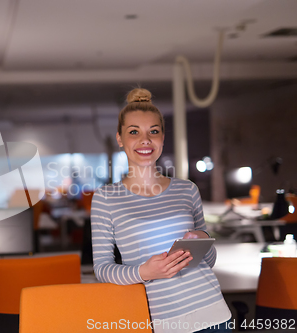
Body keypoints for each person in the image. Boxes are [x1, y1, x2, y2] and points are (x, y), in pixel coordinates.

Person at [91, 88, 232, 333]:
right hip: (163, 322)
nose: (145, 140)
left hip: (214, 313)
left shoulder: (187, 189)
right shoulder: (106, 198)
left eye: (153, 132)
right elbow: (102, 269)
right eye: (134, 132)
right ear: (120, 139)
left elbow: (208, 261)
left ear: (162, 138)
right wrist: (144, 272)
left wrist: (203, 239)